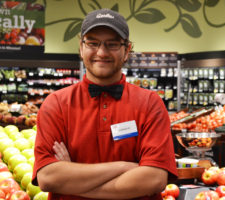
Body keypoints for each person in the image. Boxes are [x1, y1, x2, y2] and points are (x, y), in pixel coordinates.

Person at [32, 8, 178, 200]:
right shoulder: (56, 104)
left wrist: (72, 179)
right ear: (81, 47)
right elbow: (48, 178)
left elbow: (154, 179)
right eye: (92, 43)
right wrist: (124, 166)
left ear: (127, 50)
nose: (101, 52)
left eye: (112, 44)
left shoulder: (150, 104)